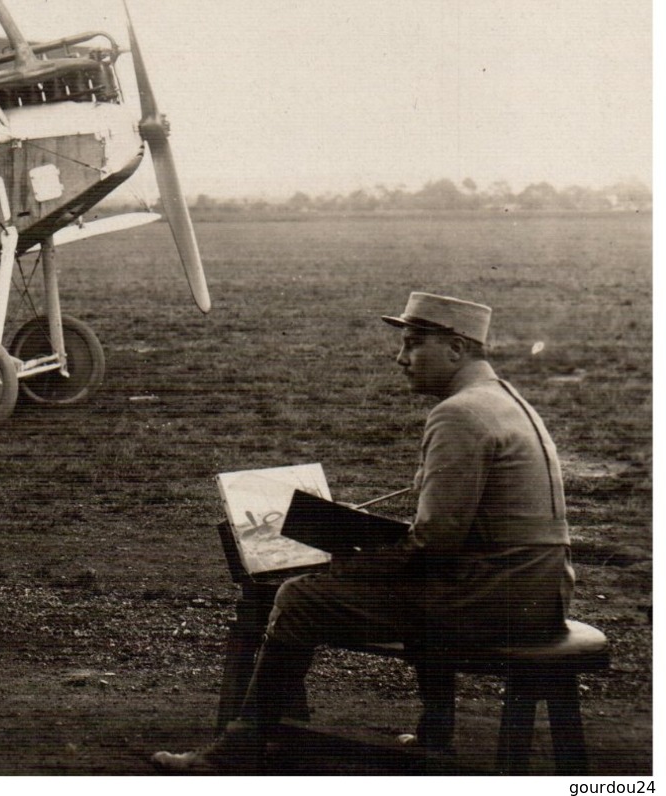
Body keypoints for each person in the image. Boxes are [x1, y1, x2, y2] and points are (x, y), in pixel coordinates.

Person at [153, 292, 574, 774]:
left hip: (495, 600)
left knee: (298, 598)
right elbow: (455, 535)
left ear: (457, 348)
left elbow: (435, 544)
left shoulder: (459, 414)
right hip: (540, 592)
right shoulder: (504, 399)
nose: (401, 358)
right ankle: (435, 731)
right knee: (409, 581)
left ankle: (239, 748)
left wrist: (350, 561)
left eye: (414, 344)